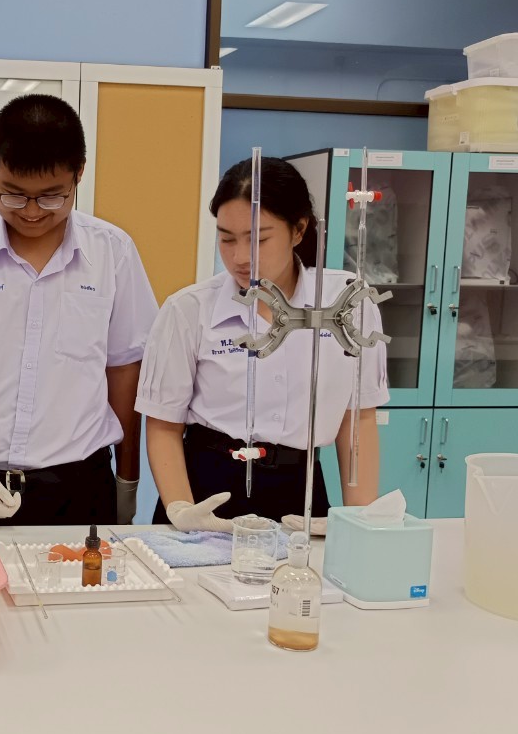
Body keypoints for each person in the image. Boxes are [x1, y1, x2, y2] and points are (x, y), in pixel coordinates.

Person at [0, 95, 159, 526]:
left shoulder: (112, 252)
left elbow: (123, 371)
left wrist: (127, 480)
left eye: (52, 197)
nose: (33, 212)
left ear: (79, 173)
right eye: (14, 196)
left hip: (80, 483)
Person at [136, 156, 388, 533]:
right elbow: (163, 425)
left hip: (300, 489)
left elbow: (358, 419)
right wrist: (182, 510)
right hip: (207, 489)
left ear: (298, 230)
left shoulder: (347, 303)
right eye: (227, 238)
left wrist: (360, 522)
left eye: (259, 239)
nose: (240, 257)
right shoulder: (188, 310)